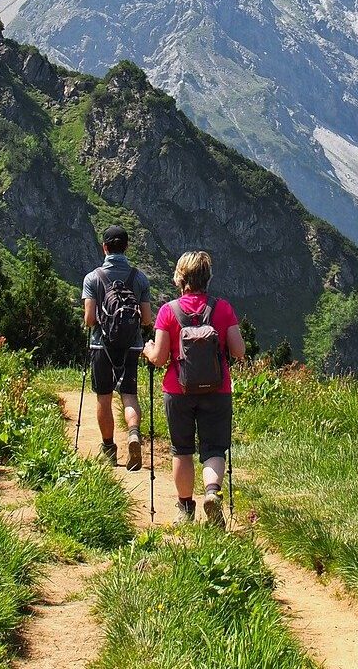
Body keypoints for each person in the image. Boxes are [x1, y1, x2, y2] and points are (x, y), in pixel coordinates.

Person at [144, 250, 245, 526]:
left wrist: (148, 349)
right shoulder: (223, 308)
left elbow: (160, 358)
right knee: (214, 449)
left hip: (178, 391)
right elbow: (238, 351)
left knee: (182, 450)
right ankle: (212, 493)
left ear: (181, 278)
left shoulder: (168, 311)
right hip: (217, 389)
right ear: (207, 278)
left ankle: (185, 509)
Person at [82, 225, 152, 469]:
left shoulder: (93, 278)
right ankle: (133, 433)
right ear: (127, 247)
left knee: (104, 397)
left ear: (104, 247)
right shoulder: (139, 277)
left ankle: (109, 447)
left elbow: (89, 319)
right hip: (131, 346)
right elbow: (146, 319)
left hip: (102, 345)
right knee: (129, 396)